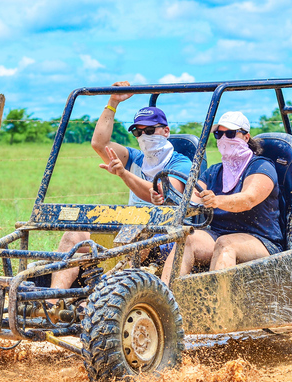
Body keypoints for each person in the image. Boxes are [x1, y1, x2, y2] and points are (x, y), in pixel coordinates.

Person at [51, 81, 192, 290]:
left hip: (165, 235)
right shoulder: (135, 158)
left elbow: (162, 194)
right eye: (138, 132)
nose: (144, 136)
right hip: (131, 228)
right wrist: (113, 102)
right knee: (73, 236)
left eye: (150, 130)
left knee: (133, 240)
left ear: (166, 131)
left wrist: (124, 174)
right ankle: (53, 304)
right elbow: (100, 144)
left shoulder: (180, 163)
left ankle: (100, 297)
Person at [156, 111, 284, 285]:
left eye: (230, 134)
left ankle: (216, 307)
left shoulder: (262, 166)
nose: (224, 138)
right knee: (188, 239)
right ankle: (165, 300)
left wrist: (217, 200)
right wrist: (167, 197)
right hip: (218, 234)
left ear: (246, 137)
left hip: (260, 239)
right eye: (219, 134)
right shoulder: (214, 171)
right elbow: (193, 199)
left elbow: (248, 199)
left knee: (226, 244)